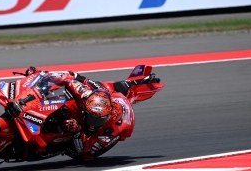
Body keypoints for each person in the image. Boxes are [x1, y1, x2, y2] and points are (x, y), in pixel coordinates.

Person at [23, 66, 157, 159]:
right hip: (107, 96)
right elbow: (70, 76)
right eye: (91, 117)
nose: (93, 123)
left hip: (116, 127)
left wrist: (77, 131)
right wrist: (39, 76)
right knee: (117, 86)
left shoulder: (110, 130)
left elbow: (86, 149)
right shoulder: (85, 92)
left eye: (97, 120)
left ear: (107, 115)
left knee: (84, 155)